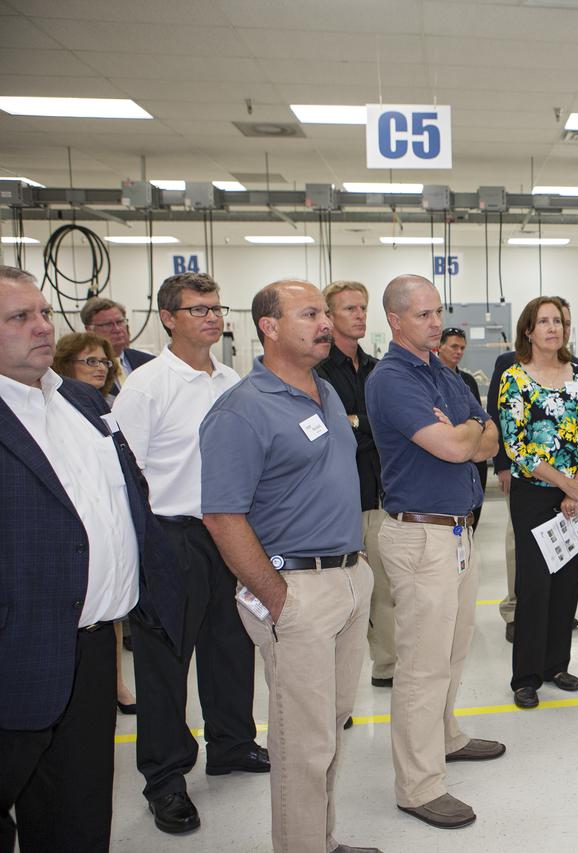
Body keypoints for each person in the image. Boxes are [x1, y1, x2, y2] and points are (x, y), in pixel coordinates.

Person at [0, 265, 183, 853]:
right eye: (18, 317)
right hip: (17, 650)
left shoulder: (82, 400)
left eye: (44, 314)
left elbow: (127, 498)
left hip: (92, 647)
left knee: (79, 813)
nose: (39, 327)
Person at [201, 279, 380, 853]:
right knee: (302, 744)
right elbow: (223, 516)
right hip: (296, 587)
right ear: (269, 327)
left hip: (348, 579)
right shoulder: (242, 409)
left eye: (326, 313)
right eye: (309, 314)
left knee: (328, 730)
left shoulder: (325, 393)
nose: (326, 323)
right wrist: (278, 599)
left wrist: (358, 576)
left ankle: (320, 841)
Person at [113, 273, 267, 835]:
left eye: (216, 307)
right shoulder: (148, 386)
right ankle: (165, 778)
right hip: (170, 533)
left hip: (228, 532)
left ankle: (232, 744)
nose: (210, 317)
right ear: (168, 318)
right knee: (164, 665)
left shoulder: (231, 380)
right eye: (197, 309)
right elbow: (124, 478)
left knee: (231, 647)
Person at [365, 275, 505, 832]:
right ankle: (417, 785)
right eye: (422, 315)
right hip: (420, 535)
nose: (435, 322)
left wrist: (471, 431)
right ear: (396, 320)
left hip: (458, 532)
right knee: (421, 665)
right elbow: (453, 447)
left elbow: (490, 441)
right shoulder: (392, 379)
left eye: (437, 311)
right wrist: (470, 435)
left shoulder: (443, 374)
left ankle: (445, 736)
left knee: (452, 648)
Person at [486, 298, 578, 642]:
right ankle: (526, 676)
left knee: (567, 584)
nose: (553, 327)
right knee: (534, 584)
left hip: (577, 491)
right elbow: (516, 445)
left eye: (557, 321)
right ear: (528, 330)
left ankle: (558, 665)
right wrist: (567, 485)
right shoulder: (514, 376)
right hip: (534, 493)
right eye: (543, 321)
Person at [314, 280, 395, 690]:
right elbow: (330, 435)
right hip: (337, 502)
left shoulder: (380, 369)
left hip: (380, 496)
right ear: (328, 317)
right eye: (349, 309)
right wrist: (364, 426)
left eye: (363, 308)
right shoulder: (317, 373)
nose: (360, 315)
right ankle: (334, 689)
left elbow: (384, 428)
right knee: (339, 598)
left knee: (385, 591)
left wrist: (356, 422)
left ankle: (387, 667)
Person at [51, 331, 135, 715]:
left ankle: (116, 684)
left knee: (111, 621)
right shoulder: (53, 407)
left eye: (103, 361)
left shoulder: (103, 408)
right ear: (66, 364)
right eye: (89, 361)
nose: (99, 368)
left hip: (109, 548)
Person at [438, 326, 490, 525]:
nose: (458, 352)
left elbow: (481, 420)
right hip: (449, 452)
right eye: (454, 346)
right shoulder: (430, 380)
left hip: (474, 453)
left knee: (472, 516)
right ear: (439, 347)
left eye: (462, 348)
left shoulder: (467, 380)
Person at [81, 296, 154, 389]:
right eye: (107, 324)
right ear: (89, 330)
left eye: (120, 322)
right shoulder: (84, 368)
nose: (117, 329)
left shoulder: (147, 361)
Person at [52, 332, 118, 401]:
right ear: (67, 365)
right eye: (92, 361)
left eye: (104, 362)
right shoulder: (55, 403)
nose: (103, 368)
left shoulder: (114, 403)